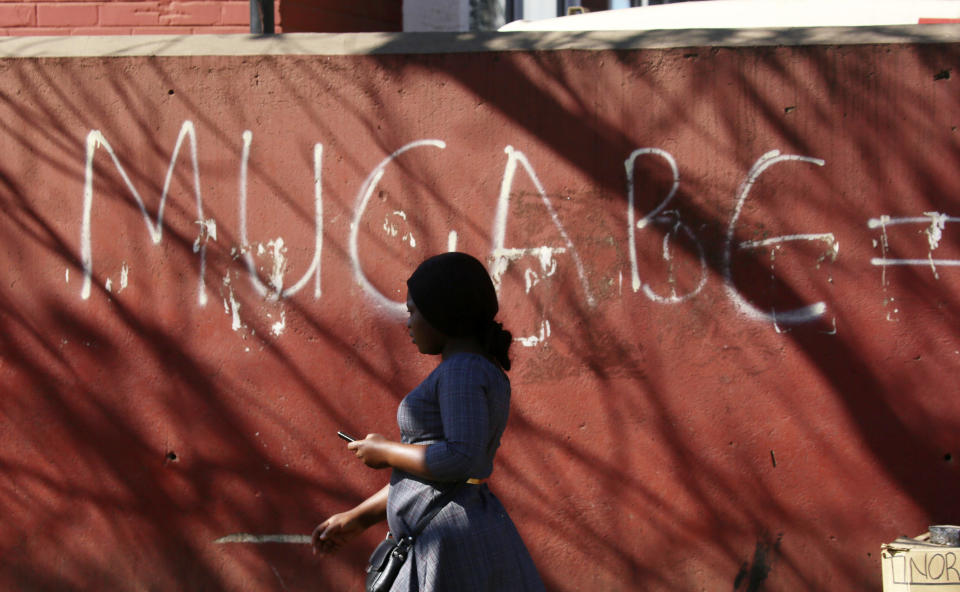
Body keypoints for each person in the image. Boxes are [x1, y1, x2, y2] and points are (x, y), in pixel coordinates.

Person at [312, 252, 545, 591]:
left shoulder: (461, 371)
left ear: (442, 311)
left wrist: (386, 452)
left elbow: (460, 457)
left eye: (413, 311)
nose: (408, 323)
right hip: (448, 537)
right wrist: (358, 517)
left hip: (450, 547)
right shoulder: (470, 368)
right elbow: (432, 476)